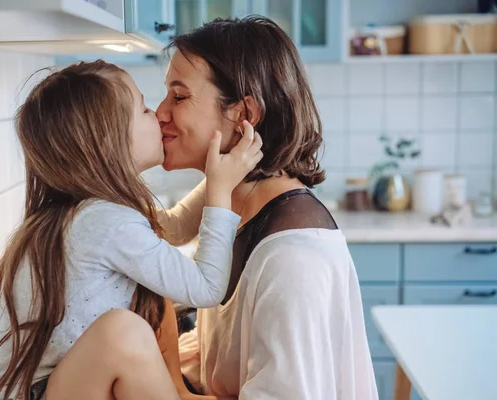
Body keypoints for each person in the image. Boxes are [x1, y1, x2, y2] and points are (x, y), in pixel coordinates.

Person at [0, 60, 262, 400]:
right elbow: (206, 289)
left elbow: (173, 228)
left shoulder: (87, 212)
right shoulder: (103, 221)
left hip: (51, 388)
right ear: (109, 140)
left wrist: (220, 172)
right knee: (124, 332)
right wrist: (220, 192)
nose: (159, 115)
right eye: (144, 109)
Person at [154, 16, 378, 399]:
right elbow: (225, 355)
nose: (160, 113)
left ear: (244, 115)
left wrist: (169, 385)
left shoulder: (293, 259)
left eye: (179, 96)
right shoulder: (232, 197)